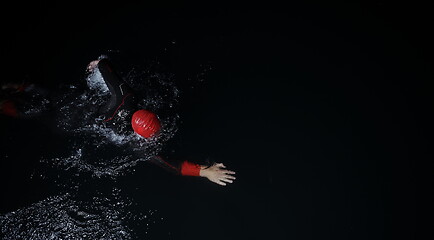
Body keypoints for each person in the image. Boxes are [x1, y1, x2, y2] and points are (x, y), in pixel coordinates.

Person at [86, 57, 236, 186]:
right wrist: (205, 172)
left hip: (95, 105)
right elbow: (171, 166)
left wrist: (99, 63)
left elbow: (104, 65)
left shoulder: (126, 96)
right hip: (86, 117)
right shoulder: (135, 144)